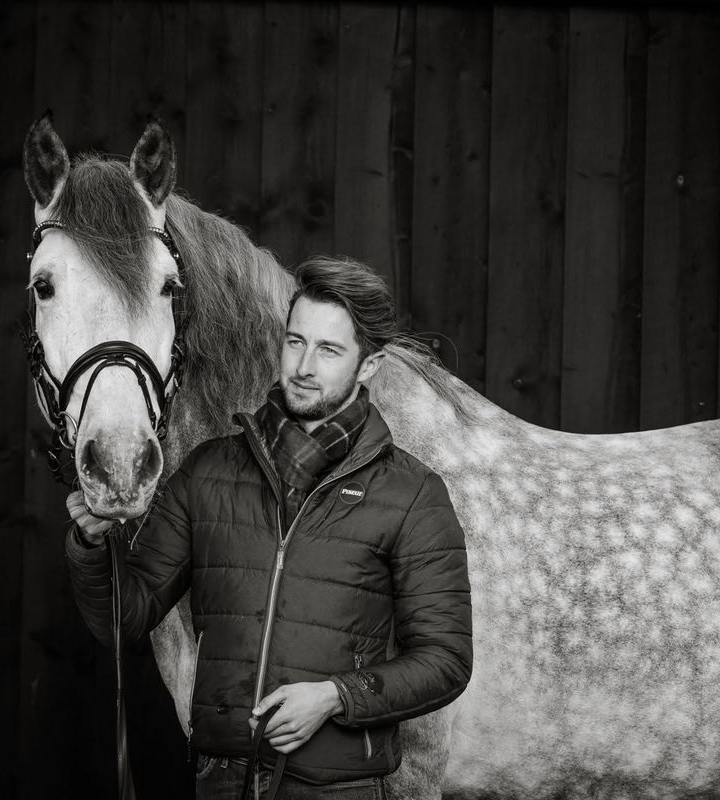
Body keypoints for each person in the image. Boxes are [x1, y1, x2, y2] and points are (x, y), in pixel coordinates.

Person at [65, 256, 473, 799]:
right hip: (222, 783)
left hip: (339, 789)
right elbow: (127, 617)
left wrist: (335, 696)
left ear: (368, 367)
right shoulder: (209, 471)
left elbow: (445, 660)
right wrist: (90, 545)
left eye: (329, 350)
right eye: (295, 342)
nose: (304, 366)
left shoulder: (412, 495)